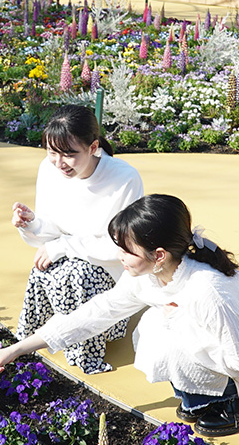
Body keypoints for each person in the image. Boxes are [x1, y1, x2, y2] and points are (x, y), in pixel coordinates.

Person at [0, 195, 239, 437]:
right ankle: (201, 395)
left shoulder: (208, 290)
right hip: (228, 341)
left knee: (167, 330)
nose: (119, 257)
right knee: (154, 326)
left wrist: (180, 324)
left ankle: (229, 403)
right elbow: (95, 314)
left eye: (127, 250)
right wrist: (14, 350)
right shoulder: (149, 276)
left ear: (159, 255)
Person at [12, 105, 143, 375]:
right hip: (69, 253)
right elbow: (51, 232)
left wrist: (62, 246)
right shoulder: (49, 169)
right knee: (44, 266)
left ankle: (87, 348)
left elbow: (121, 247)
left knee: (80, 275)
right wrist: (31, 223)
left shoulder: (124, 178)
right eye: (52, 152)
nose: (59, 162)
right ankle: (38, 338)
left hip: (110, 265)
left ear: (93, 147)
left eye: (69, 154)